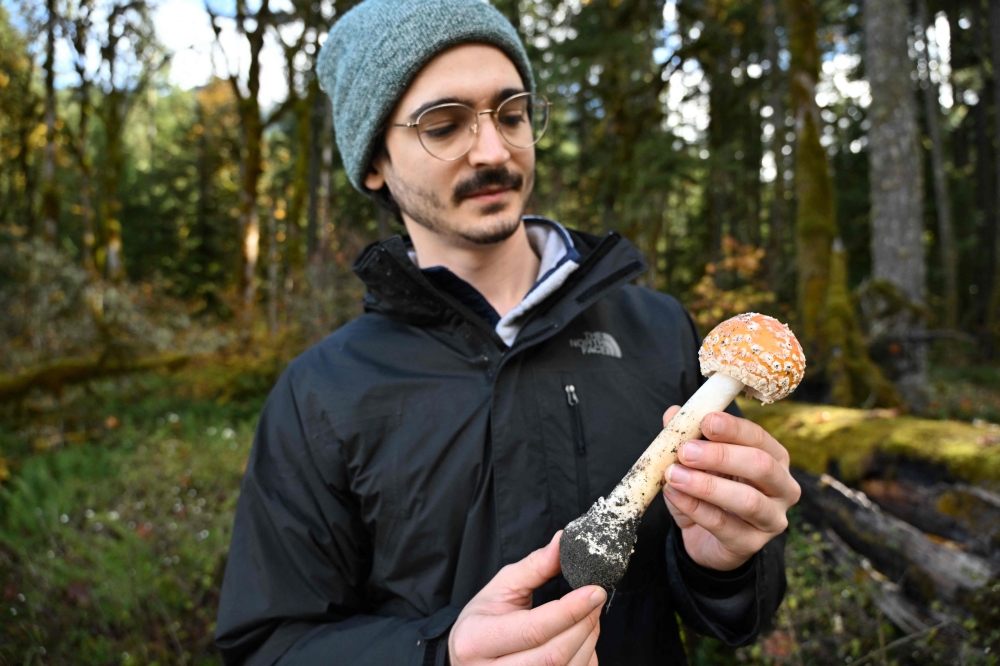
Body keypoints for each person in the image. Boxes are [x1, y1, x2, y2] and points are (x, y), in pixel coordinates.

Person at [214, 0, 802, 664]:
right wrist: (441, 657)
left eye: (512, 113)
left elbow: (733, 619)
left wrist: (729, 565)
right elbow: (268, 645)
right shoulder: (320, 392)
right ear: (375, 160)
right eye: (444, 124)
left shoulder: (659, 329)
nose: (494, 151)